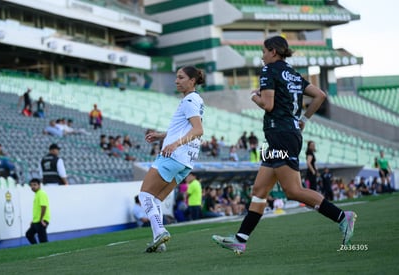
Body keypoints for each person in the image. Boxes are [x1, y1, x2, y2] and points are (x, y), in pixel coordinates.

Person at [212, 36, 357, 255]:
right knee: (259, 189)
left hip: (280, 135)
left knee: (293, 190)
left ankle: (341, 216)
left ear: (272, 51)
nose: (262, 55)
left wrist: (254, 97)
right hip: (283, 135)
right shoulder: (291, 73)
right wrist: (304, 120)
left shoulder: (269, 71)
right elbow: (320, 95)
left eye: (263, 51)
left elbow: (268, 105)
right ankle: (240, 239)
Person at [138, 65, 205, 253]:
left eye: (181, 77)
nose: (176, 81)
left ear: (192, 81)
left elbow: (198, 130)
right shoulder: (196, 100)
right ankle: (160, 241)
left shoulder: (189, 100)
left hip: (174, 155)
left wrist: (174, 144)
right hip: (186, 161)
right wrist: (162, 136)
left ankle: (160, 230)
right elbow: (186, 129)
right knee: (156, 199)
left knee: (144, 195)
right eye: (176, 77)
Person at [25, 178, 50, 244]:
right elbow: (37, 209)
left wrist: (41, 219)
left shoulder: (41, 193)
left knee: (43, 240)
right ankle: (36, 248)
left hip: (41, 220)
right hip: (36, 220)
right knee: (29, 234)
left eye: (35, 185)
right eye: (31, 185)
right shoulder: (37, 194)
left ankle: (47, 252)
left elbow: (44, 207)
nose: (32, 187)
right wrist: (33, 220)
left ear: (39, 185)